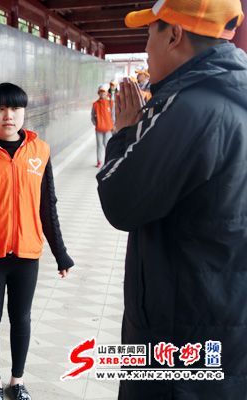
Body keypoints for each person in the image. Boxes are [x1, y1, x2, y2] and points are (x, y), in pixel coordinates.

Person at [97, 0, 246, 399]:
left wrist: (125, 133)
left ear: (175, 35)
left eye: (150, 34)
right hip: (221, 310)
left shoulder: (191, 108)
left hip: (180, 327)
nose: (146, 48)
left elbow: (121, 202)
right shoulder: (229, 99)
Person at [0, 82, 74, 400]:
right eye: (0, 109)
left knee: (21, 318)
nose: (8, 115)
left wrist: (60, 252)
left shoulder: (40, 151)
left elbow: (47, 206)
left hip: (27, 255)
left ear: (24, 112)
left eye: (15, 108)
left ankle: (17, 381)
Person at [92, 84, 114, 168]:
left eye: (103, 92)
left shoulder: (110, 103)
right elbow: (92, 116)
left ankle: (108, 160)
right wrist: (96, 123)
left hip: (108, 128)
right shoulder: (95, 104)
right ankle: (99, 161)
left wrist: (113, 125)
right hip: (99, 129)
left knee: (107, 144)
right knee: (99, 145)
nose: (102, 94)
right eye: (100, 92)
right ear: (98, 93)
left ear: (106, 93)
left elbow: (113, 115)